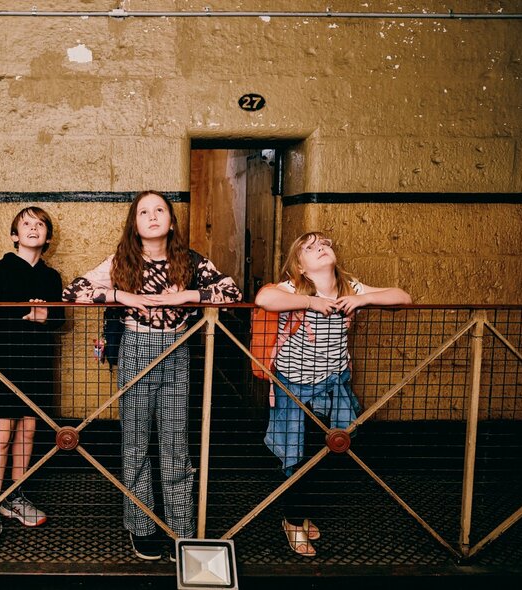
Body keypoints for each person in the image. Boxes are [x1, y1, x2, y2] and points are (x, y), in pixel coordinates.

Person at [62, 190, 242, 562]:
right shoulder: (122, 260)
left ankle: (181, 531)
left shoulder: (190, 260)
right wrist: (118, 296)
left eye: (160, 210)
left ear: (171, 221)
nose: (153, 216)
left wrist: (189, 296)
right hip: (135, 348)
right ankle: (141, 527)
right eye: (144, 211)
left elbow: (232, 292)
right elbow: (73, 291)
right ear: (135, 223)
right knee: (136, 443)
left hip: (178, 350)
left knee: (176, 445)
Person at [255, 231, 411, 557]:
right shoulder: (292, 288)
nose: (321, 248)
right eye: (310, 248)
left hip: (331, 383)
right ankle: (293, 521)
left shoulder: (348, 287)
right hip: (293, 386)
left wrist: (363, 298)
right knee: (294, 456)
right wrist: (311, 301)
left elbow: (403, 297)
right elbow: (264, 299)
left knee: (332, 446)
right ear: (299, 264)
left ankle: (301, 511)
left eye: (324, 244)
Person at [0, 206, 65, 552]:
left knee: (30, 430)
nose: (34, 229)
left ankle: (14, 497)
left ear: (47, 237)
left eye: (40, 225)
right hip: (6, 361)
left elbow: (60, 320)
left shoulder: (52, 278)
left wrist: (43, 314)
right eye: (26, 224)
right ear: (14, 236)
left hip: (39, 363)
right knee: (2, 434)